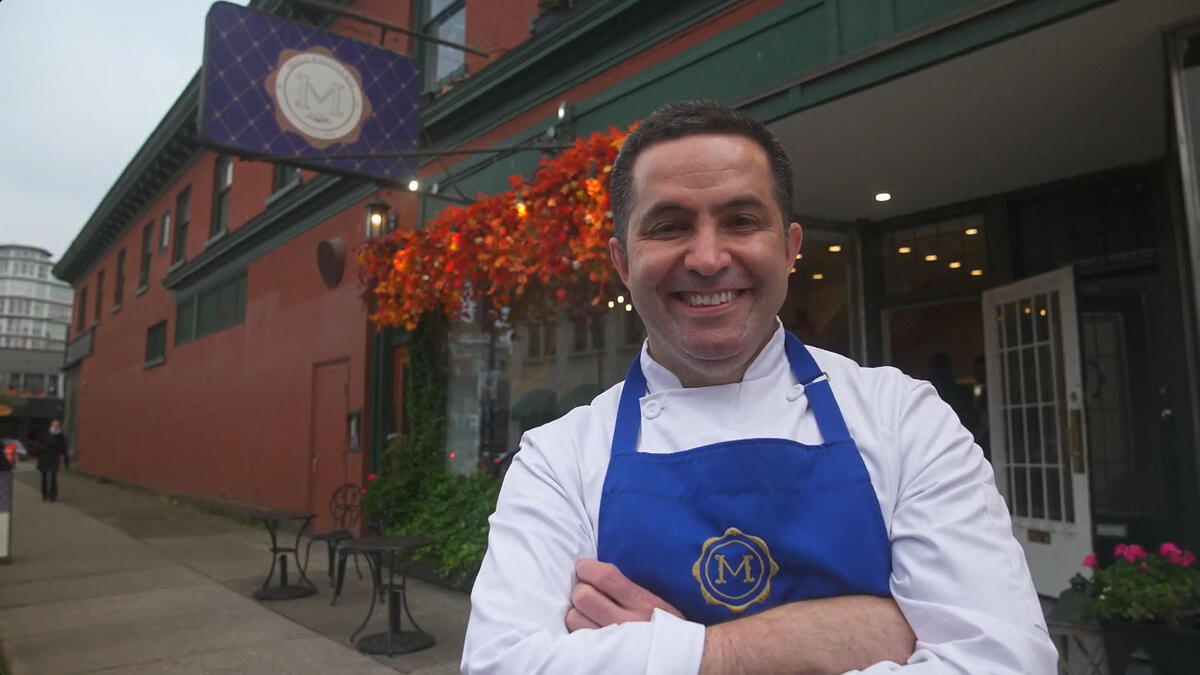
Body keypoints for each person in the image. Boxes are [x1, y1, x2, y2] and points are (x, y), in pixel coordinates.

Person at [462, 101, 1057, 673]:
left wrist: (669, 654)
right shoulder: (557, 459)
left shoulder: (905, 418)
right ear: (622, 262)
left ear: (790, 247)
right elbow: (501, 665)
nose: (707, 257)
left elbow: (1006, 661)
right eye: (668, 226)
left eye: (741, 221)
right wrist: (753, 650)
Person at [37, 420, 68, 502]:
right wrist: (46, 449)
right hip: (44, 458)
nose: (55, 427)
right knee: (44, 477)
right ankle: (44, 494)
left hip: (54, 458)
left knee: (53, 477)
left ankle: (53, 496)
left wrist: (66, 462)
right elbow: (38, 445)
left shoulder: (61, 436)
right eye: (54, 425)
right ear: (51, 425)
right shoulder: (44, 434)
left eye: (57, 426)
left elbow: (64, 449)